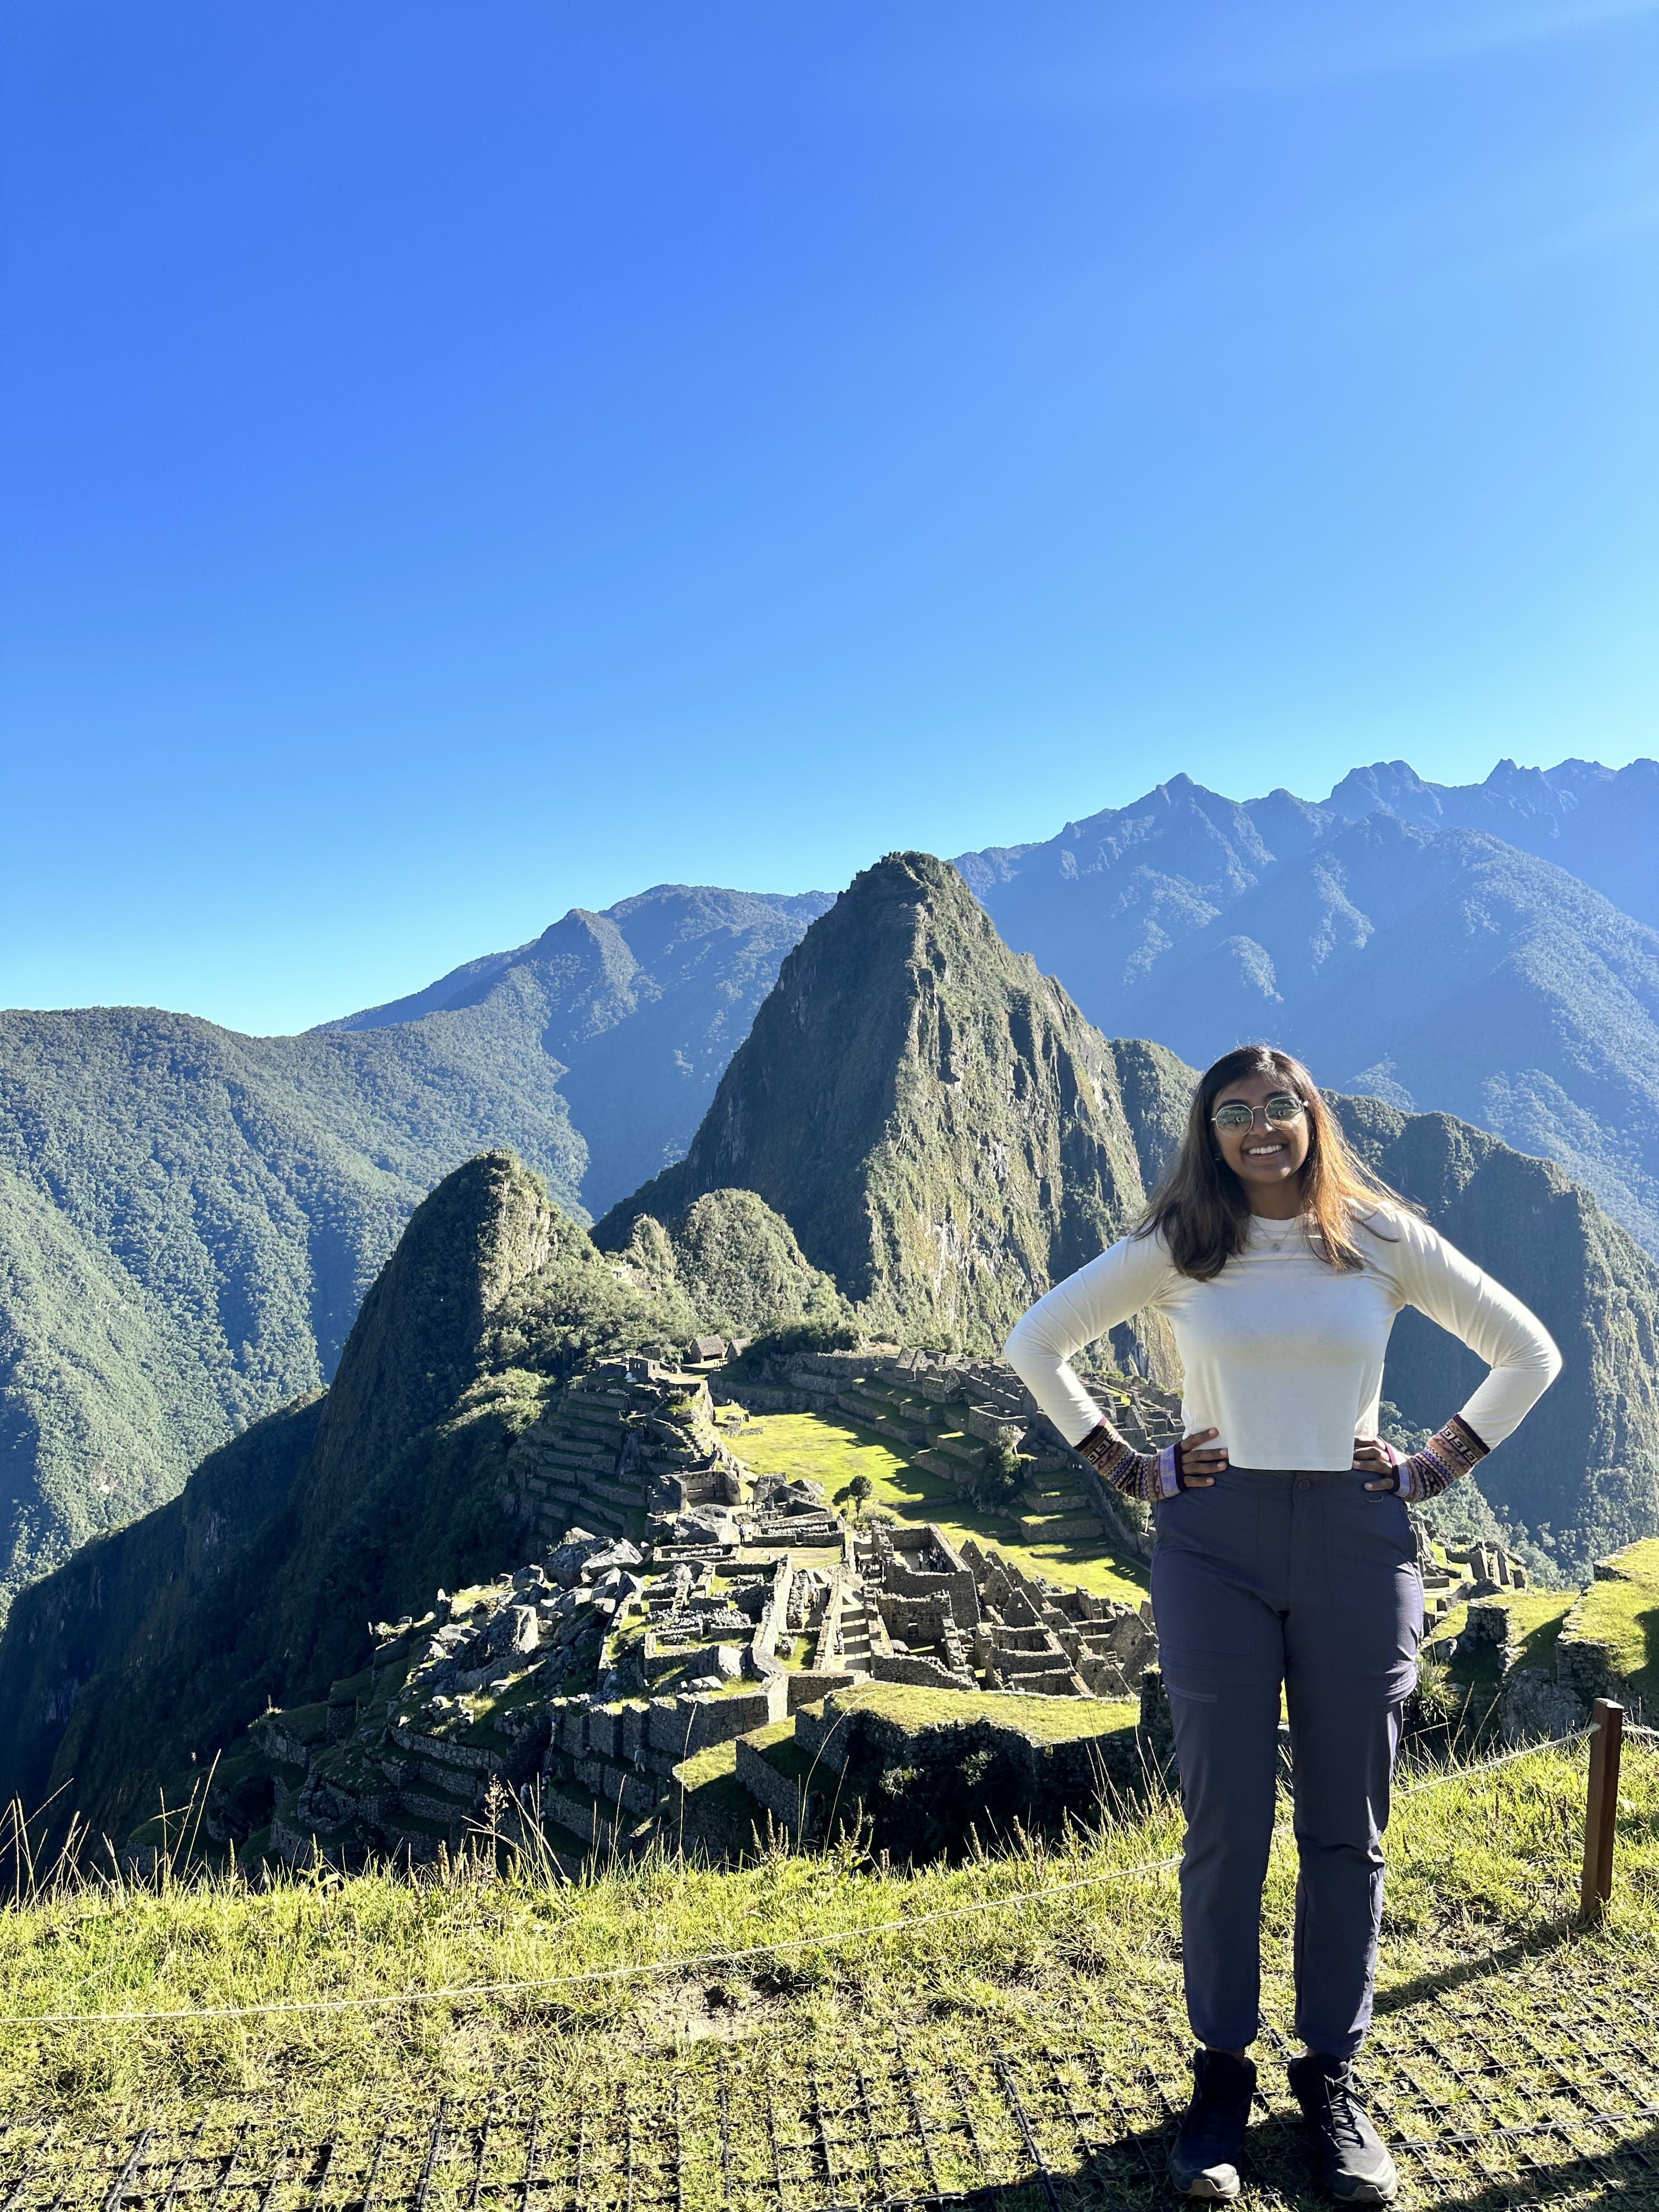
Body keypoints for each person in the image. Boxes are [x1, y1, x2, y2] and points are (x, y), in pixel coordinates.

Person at [1003, 1044, 1560, 2205]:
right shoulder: (1181, 1247)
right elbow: (1035, 1343)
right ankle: (1220, 2075)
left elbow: (1529, 1351)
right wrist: (1123, 1464)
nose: (1261, 1128)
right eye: (1235, 1113)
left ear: (1314, 1117)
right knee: (1226, 1823)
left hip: (1360, 1541)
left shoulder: (1379, 1237)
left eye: (1281, 1107)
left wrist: (1438, 1461)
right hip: (1216, 1541)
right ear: (1209, 1133)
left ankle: (1331, 2075)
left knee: (1348, 1824)